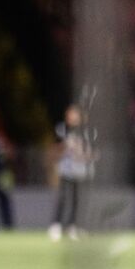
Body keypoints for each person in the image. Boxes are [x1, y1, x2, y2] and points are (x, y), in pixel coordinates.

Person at [49, 104, 93, 242]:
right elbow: (55, 148)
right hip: (66, 169)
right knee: (63, 197)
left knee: (77, 199)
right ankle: (56, 225)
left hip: (80, 170)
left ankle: (72, 226)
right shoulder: (62, 129)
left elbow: (89, 152)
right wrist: (66, 145)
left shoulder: (84, 131)